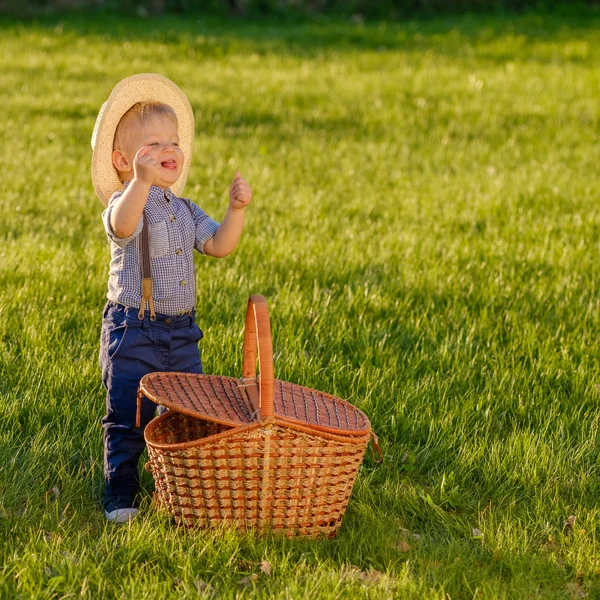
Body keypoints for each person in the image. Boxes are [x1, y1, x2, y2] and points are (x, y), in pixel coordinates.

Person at [91, 73, 252, 522]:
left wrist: (235, 211)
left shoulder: (185, 209)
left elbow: (219, 245)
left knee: (189, 413)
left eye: (174, 142)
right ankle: (120, 489)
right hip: (133, 329)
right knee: (128, 415)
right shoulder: (126, 202)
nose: (169, 151)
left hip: (181, 333)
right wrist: (140, 183)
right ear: (123, 160)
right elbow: (123, 227)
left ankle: (180, 488)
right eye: (154, 145)